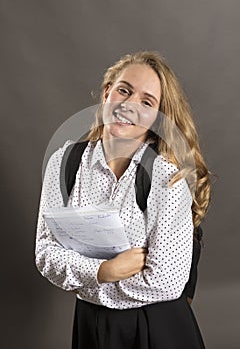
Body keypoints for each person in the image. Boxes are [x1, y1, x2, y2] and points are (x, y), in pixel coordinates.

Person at [35, 51, 211, 349]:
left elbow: (166, 282)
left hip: (155, 327)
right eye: (124, 90)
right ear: (107, 93)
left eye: (146, 102)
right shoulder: (63, 163)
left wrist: (83, 281)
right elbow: (45, 254)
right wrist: (103, 271)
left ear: (158, 116)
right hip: (90, 325)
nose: (129, 105)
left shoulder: (167, 175)